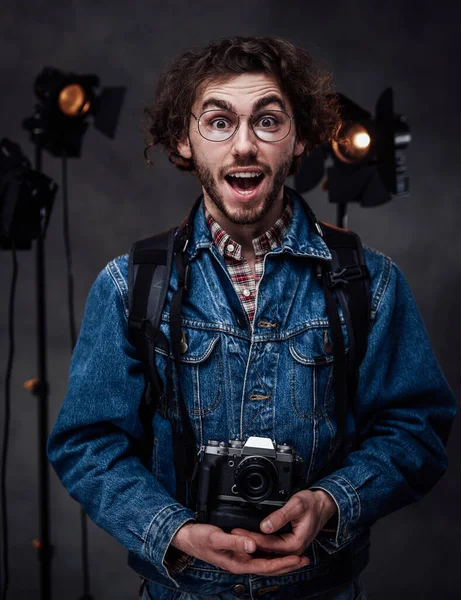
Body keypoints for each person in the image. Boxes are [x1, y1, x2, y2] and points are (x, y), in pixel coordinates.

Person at [47, 37, 457, 600]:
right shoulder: (129, 286)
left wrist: (333, 501)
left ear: (302, 137)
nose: (243, 145)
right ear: (182, 140)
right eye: (218, 122)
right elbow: (87, 445)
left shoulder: (371, 284)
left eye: (268, 121)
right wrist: (175, 531)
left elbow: (417, 428)